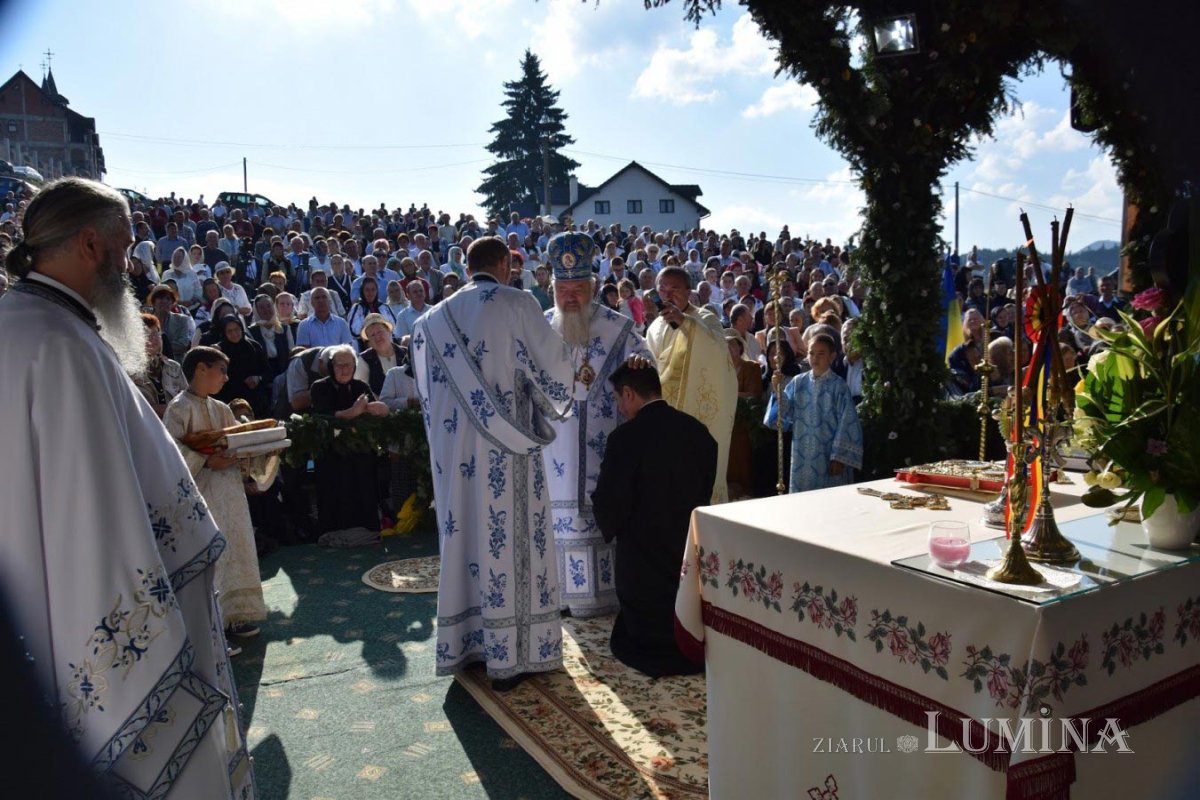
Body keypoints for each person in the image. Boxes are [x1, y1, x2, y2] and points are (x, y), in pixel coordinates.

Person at [0, 178, 254, 797]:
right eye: (126, 246)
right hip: (95, 615)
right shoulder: (62, 345)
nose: (133, 265)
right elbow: (95, 513)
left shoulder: (25, 325)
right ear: (91, 244)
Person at [412, 235, 575, 691]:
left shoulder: (430, 320)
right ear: (503, 264)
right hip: (507, 448)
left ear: (467, 267)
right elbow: (552, 374)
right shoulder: (516, 301)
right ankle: (513, 653)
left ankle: (467, 643)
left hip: (452, 453)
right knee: (511, 536)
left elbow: (427, 396)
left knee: (465, 535)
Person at [541, 232, 654, 619]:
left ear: (592, 286)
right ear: (552, 288)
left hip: (604, 446)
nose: (570, 297)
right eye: (563, 289)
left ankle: (601, 597)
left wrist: (641, 368)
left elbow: (646, 367)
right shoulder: (541, 328)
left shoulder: (619, 328)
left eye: (578, 288)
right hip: (552, 451)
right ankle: (559, 597)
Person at [591, 363, 714, 677]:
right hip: (685, 549)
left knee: (640, 589)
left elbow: (610, 501)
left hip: (641, 557)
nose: (620, 407)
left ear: (629, 394)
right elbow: (705, 490)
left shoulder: (624, 439)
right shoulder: (698, 432)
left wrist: (607, 518)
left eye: (619, 399)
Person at [165, 346, 268, 650]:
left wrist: (263, 441)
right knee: (210, 555)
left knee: (235, 547)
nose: (226, 377)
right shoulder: (178, 409)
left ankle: (234, 617)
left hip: (230, 494)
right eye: (221, 370)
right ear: (200, 369)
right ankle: (212, 630)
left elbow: (240, 439)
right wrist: (207, 461)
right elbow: (168, 453)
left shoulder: (222, 408)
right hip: (200, 496)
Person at [645, 266, 737, 503]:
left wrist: (685, 323)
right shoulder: (655, 327)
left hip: (694, 412)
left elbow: (718, 350)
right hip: (664, 411)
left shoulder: (705, 318)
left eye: (674, 289)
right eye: (662, 289)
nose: (667, 295)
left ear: (688, 291)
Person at [766, 333, 863, 492]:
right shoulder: (798, 382)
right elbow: (783, 415)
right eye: (811, 353)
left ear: (832, 356)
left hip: (828, 456)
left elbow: (847, 423)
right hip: (801, 456)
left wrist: (839, 457)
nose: (815, 358)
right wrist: (778, 390)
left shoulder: (839, 387)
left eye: (821, 353)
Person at [309, 345, 389, 536]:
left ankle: (368, 531)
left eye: (349, 365)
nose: (344, 370)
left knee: (365, 484)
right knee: (335, 490)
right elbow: (322, 416)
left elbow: (373, 407)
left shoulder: (360, 386)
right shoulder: (319, 387)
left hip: (360, 451)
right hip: (331, 452)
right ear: (331, 366)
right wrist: (352, 413)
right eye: (339, 365)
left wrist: (382, 410)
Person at [133, 312, 188, 417]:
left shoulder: (174, 367)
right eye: (146, 334)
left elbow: (187, 397)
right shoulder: (130, 371)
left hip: (174, 426)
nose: (153, 338)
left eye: (156, 333)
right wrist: (155, 409)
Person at [214, 316, 270, 417]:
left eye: (237, 329)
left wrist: (258, 378)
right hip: (229, 400)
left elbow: (268, 372)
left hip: (256, 400)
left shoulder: (254, 347)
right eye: (230, 331)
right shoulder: (219, 351)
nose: (234, 334)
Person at [356, 313, 405, 396]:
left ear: (389, 332)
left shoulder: (405, 353)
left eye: (380, 332)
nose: (377, 337)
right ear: (369, 340)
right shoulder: (364, 359)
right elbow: (360, 390)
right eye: (372, 335)